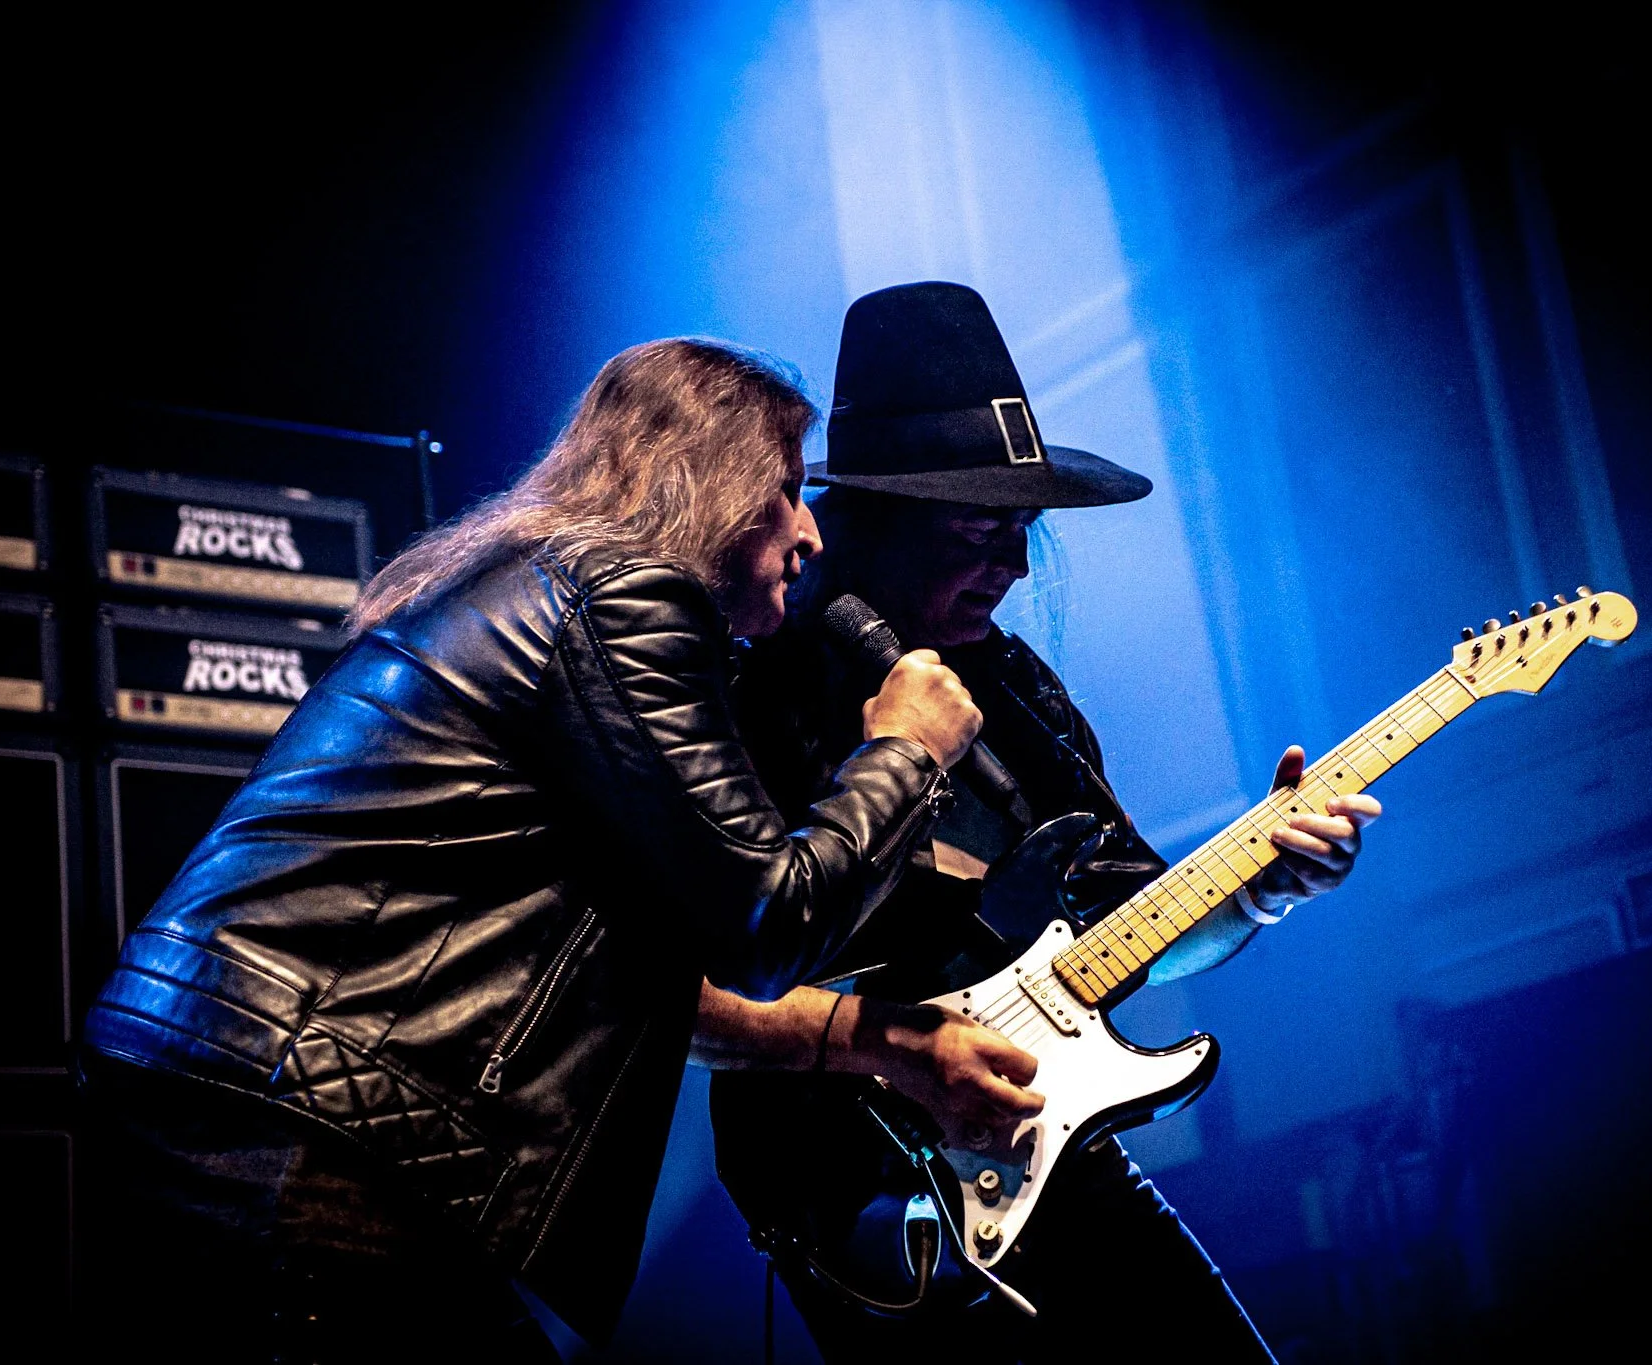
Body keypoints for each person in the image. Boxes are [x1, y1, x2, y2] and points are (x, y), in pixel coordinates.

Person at [76, 338, 983, 1362]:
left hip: (231, 1098)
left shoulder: (529, 585)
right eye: (783, 489)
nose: (808, 529)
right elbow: (766, 921)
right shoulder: (624, 595)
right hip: (313, 1128)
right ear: (714, 479)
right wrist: (906, 751)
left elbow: (663, 973)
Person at [697, 284, 1382, 1361]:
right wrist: (898, 1045)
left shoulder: (1018, 694)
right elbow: (699, 973)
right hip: (862, 1188)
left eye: (1022, 531)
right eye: (979, 530)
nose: (1012, 565)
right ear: (874, 523)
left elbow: (1126, 928)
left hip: (1040, 1140)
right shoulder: (749, 693)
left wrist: (1261, 884)